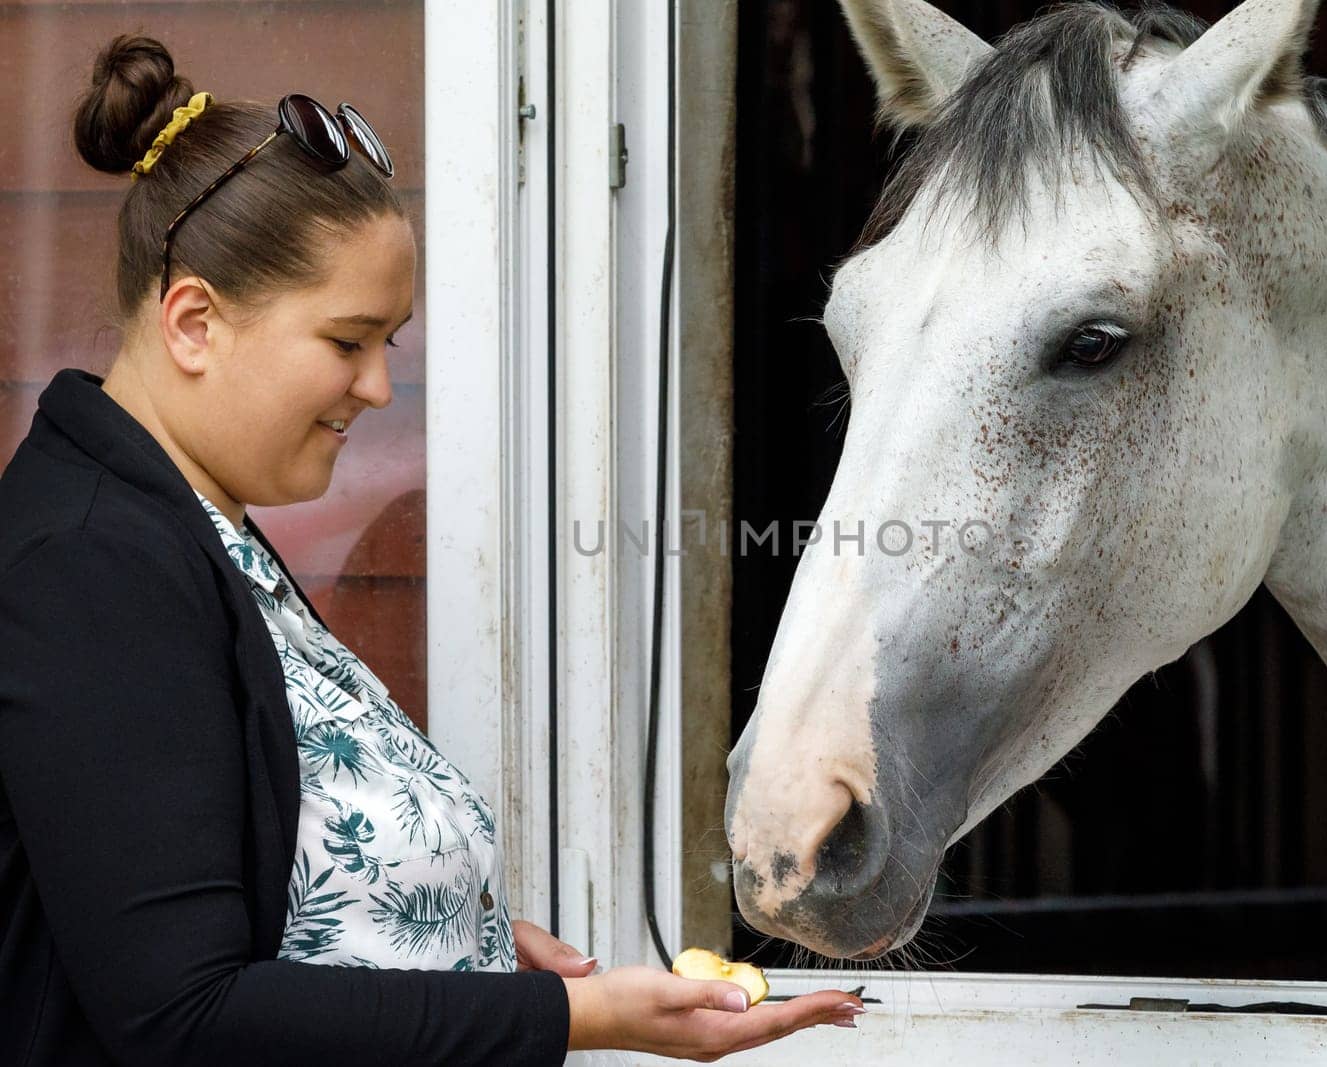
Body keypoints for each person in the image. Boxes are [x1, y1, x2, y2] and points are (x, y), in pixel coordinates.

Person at [0, 35, 864, 1065]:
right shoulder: (93, 562)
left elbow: (264, 875)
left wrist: (468, 946)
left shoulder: (188, 522)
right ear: (194, 321)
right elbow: (185, 1015)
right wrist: (569, 1018)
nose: (376, 387)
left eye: (389, 344)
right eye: (346, 340)